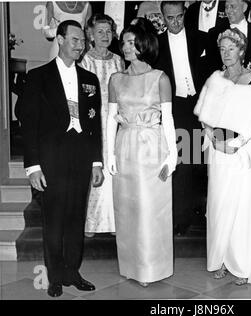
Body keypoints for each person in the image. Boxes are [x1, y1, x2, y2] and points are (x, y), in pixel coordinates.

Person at [20, 20, 104, 298]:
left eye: (83, 41)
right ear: (59, 40)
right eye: (75, 40)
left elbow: (94, 127)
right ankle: (55, 276)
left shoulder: (90, 80)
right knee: (53, 219)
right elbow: (29, 123)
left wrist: (96, 162)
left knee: (75, 217)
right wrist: (33, 166)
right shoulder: (38, 76)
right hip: (50, 157)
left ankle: (72, 271)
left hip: (81, 156)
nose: (80, 46)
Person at [194, 28, 251, 285]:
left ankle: (241, 265)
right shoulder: (214, 80)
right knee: (220, 207)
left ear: (241, 50)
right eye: (222, 49)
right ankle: (222, 260)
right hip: (219, 153)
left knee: (242, 208)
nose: (227, 54)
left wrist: (236, 143)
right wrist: (215, 140)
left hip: (244, 153)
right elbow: (204, 116)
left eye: (232, 49)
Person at [106, 23, 177, 287]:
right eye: (123, 42)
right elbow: (110, 119)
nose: (126, 47)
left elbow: (168, 120)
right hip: (124, 146)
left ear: (144, 44)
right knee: (127, 209)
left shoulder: (160, 78)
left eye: (131, 42)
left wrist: (172, 158)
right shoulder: (116, 79)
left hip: (152, 147)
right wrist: (109, 155)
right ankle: (131, 266)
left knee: (151, 209)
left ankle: (151, 268)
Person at [155, 1, 206, 236]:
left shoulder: (200, 38)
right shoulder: (156, 44)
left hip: (199, 104)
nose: (175, 22)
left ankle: (197, 213)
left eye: (179, 17)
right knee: (179, 161)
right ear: (162, 17)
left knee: (198, 161)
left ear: (185, 14)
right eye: (169, 18)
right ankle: (179, 217)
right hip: (173, 106)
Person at [79, 14, 124, 237]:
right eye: (100, 32)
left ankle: (115, 223)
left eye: (109, 31)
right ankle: (93, 222)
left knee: (114, 167)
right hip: (94, 120)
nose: (105, 36)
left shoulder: (118, 60)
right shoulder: (85, 61)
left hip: (115, 120)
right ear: (90, 35)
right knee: (96, 168)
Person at [206, 0, 251, 85]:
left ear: (244, 7)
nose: (228, 11)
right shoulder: (214, 33)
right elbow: (211, 70)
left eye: (232, 6)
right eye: (226, 7)